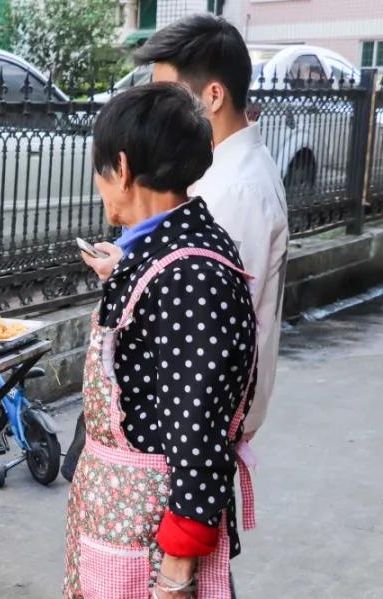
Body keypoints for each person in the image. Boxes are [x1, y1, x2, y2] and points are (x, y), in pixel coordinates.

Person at [64, 13, 289, 481]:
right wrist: (128, 268)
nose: (160, 107)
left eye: (169, 93)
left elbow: (206, 323)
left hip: (185, 441)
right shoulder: (228, 174)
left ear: (212, 96)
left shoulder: (234, 191)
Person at [63, 83, 258, 599]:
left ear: (122, 169)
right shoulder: (172, 251)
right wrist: (123, 275)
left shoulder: (190, 275)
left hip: (150, 544)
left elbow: (198, 434)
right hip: (120, 528)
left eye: (101, 170)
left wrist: (175, 577)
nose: (101, 186)